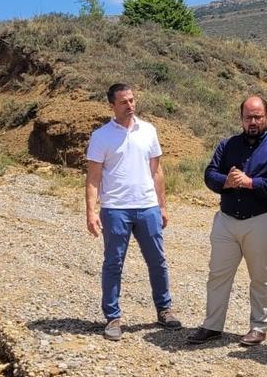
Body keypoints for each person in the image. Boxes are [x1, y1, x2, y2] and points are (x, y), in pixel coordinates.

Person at [187, 95, 267, 346]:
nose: (253, 121)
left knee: (261, 277)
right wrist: (226, 181)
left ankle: (259, 327)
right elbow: (209, 173)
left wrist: (250, 183)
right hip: (226, 220)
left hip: (263, 220)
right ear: (241, 119)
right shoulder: (227, 145)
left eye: (258, 116)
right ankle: (212, 325)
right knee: (218, 275)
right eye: (249, 117)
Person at [85, 83, 181, 341]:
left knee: (158, 261)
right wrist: (91, 212)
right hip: (115, 209)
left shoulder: (148, 130)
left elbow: (157, 171)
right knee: (114, 263)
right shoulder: (101, 136)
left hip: (147, 206)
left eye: (132, 100)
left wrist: (162, 205)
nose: (130, 105)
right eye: (123, 102)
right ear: (112, 105)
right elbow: (93, 177)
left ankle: (164, 310)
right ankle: (113, 317)